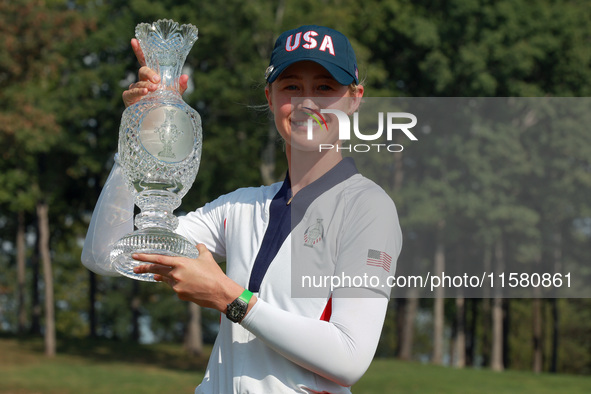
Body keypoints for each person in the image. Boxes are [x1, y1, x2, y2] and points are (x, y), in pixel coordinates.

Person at [82, 24, 402, 393]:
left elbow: (349, 357)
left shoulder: (367, 208)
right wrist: (138, 129)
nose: (307, 102)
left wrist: (227, 297)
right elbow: (105, 254)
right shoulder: (240, 207)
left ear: (355, 98)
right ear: (270, 96)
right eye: (292, 87)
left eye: (325, 87)